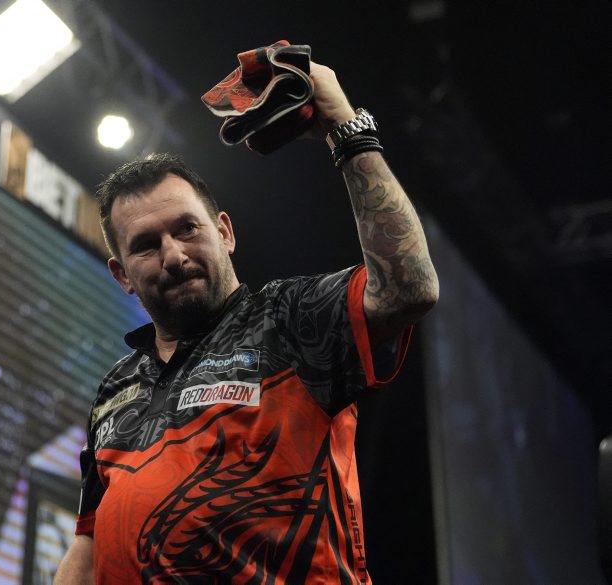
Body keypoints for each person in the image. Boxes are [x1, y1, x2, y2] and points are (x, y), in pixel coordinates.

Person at [54, 61, 439, 584]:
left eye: (186, 229)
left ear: (225, 232)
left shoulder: (289, 318)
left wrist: (345, 130)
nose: (173, 255)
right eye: (146, 245)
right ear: (122, 274)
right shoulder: (116, 388)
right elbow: (89, 541)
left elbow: (409, 289)